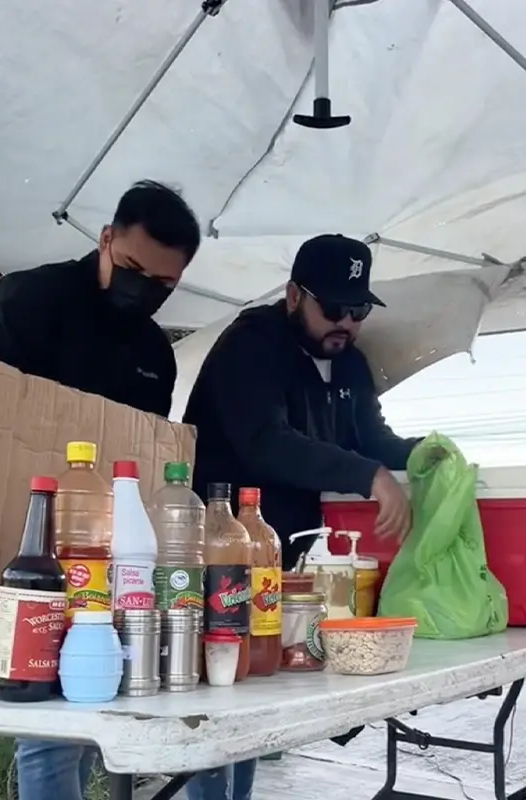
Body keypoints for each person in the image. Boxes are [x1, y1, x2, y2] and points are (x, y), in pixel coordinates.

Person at [0, 180, 202, 800]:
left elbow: (143, 452)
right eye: (135, 268)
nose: (146, 289)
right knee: (48, 717)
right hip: (29, 538)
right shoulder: (29, 300)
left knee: (100, 692)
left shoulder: (153, 351)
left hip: (112, 547)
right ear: (107, 239)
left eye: (163, 285)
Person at [181, 233, 419, 800]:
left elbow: (374, 442)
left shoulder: (352, 365)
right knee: (221, 698)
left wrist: (430, 454)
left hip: (292, 558)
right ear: (293, 295)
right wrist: (369, 477)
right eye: (333, 308)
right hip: (224, 551)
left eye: (358, 310)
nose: (347, 323)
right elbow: (267, 442)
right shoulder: (251, 346)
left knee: (261, 700)